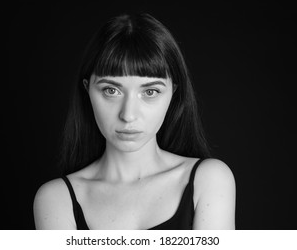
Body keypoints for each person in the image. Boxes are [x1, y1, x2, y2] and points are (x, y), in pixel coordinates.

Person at [33, 13, 236, 230]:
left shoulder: (209, 180)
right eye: (111, 90)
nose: (128, 115)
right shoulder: (56, 199)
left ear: (173, 93)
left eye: (150, 91)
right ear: (87, 90)